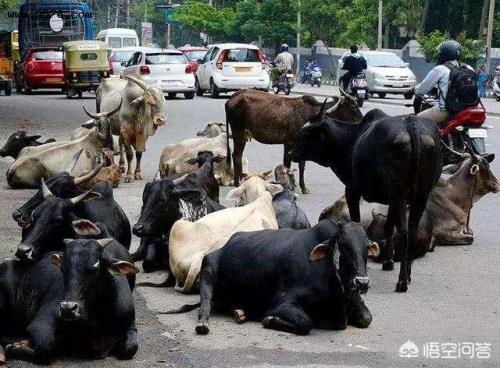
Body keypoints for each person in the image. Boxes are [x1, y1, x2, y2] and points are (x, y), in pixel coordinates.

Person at [415, 40, 478, 124]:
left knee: (415, 120)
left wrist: (415, 89)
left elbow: (422, 90)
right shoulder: (468, 67)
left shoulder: (440, 69)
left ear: (443, 54)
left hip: (446, 111)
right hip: (468, 109)